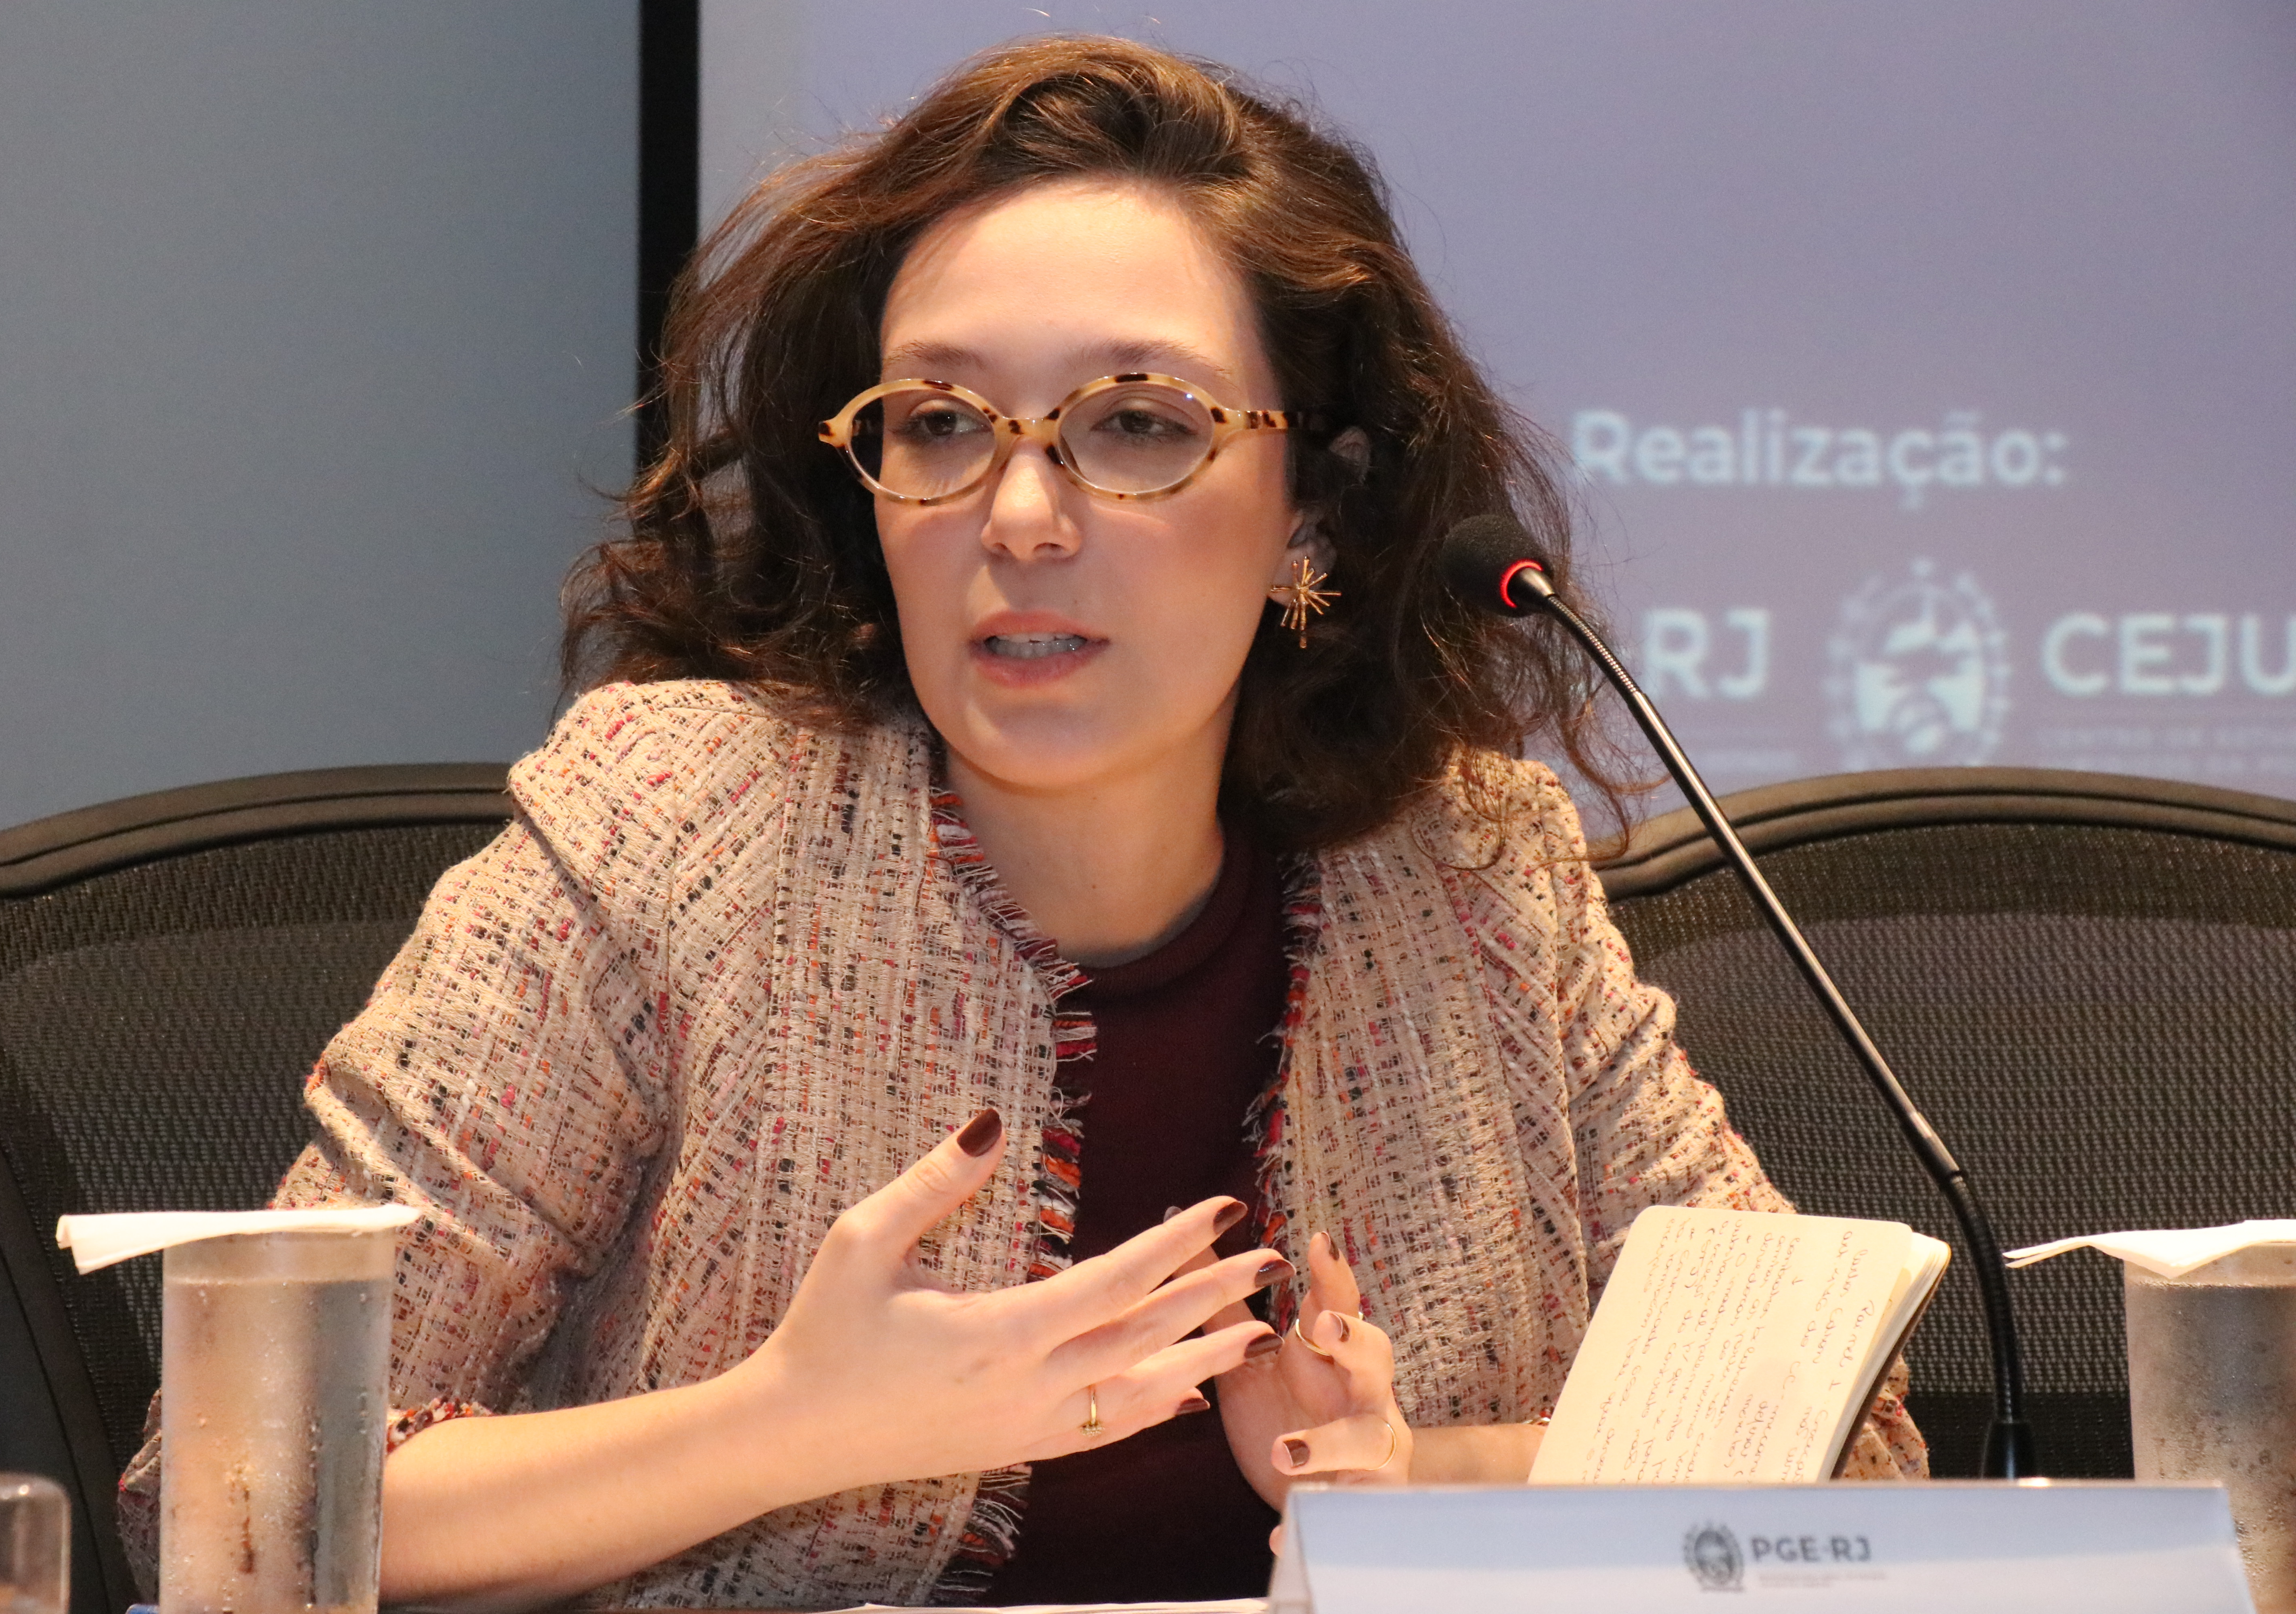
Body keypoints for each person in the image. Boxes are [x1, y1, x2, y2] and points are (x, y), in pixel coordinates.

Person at [120, 34, 1924, 1612]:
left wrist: (1405, 1482)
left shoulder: (1475, 879)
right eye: (940, 423)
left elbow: (1846, 1446)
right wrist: (788, 1428)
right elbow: (225, 1486)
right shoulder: (667, 833)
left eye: (1135, 424)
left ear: (1314, 508)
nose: (1022, 513)